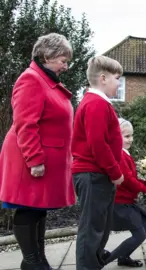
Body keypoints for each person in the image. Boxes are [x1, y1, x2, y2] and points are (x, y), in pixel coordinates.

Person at [0, 33, 75, 270]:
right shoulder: (31, 79)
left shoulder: (46, 80)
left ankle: (38, 260)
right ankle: (31, 262)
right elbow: (25, 124)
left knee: (39, 210)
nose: (66, 66)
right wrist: (34, 160)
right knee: (28, 208)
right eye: (63, 60)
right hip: (29, 158)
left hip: (42, 157)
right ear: (46, 56)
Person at [71, 55, 125, 270]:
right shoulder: (96, 104)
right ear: (103, 78)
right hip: (94, 175)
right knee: (91, 230)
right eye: (117, 78)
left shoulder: (98, 103)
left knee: (99, 228)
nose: (119, 83)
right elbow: (97, 144)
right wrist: (115, 172)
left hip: (97, 175)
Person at [103, 118, 146, 268]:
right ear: (115, 135)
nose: (131, 139)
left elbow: (131, 177)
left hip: (127, 201)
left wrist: (144, 182)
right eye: (127, 136)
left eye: (131, 136)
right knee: (139, 233)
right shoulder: (119, 155)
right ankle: (103, 262)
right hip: (119, 203)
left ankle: (123, 257)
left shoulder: (124, 153)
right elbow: (126, 180)